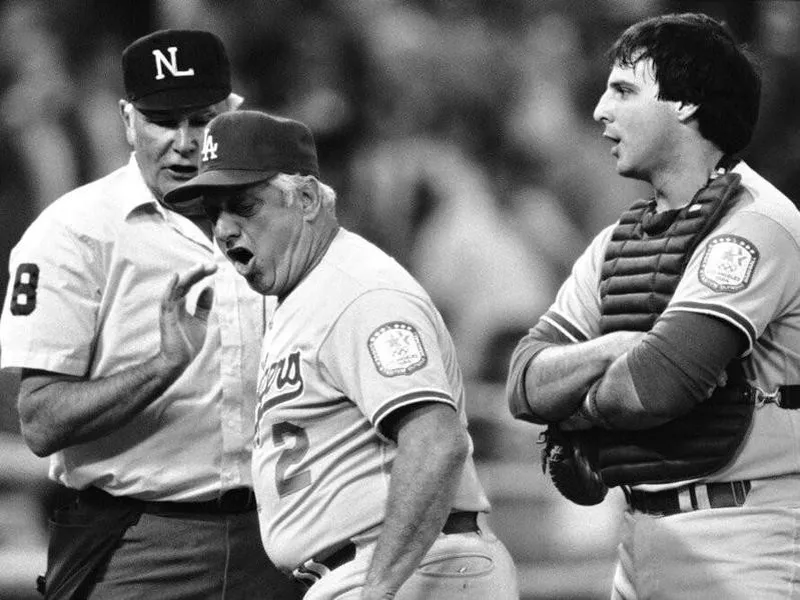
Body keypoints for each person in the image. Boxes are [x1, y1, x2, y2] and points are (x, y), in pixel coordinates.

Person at [163, 109, 519, 600]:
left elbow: (437, 442)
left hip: (411, 570)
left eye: (242, 204)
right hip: (378, 571)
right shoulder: (305, 294)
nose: (223, 229)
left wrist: (377, 591)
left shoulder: (359, 293)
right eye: (213, 210)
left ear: (306, 198)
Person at [506, 12, 800, 600]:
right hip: (638, 535)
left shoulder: (759, 225)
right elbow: (522, 382)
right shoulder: (620, 241)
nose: (599, 110)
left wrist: (574, 402)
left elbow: (655, 388)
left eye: (623, 90)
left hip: (744, 538)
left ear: (686, 103)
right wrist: (617, 347)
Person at [0, 29, 302, 599]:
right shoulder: (75, 233)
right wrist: (161, 367)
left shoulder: (282, 217)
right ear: (127, 119)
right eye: (164, 120)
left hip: (282, 531)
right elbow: (39, 421)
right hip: (140, 538)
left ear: (234, 114)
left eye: (203, 120)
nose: (186, 142)